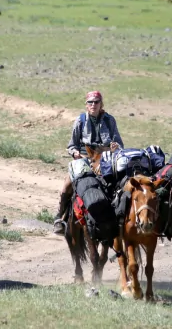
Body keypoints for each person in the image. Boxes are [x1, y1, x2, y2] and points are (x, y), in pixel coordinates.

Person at [52, 91, 124, 235]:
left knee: (120, 183)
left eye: (96, 102)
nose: (93, 105)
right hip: (84, 157)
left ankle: (122, 216)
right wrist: (75, 153)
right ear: (86, 105)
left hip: (104, 158)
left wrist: (115, 147)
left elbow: (119, 144)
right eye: (90, 102)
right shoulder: (80, 121)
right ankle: (60, 217)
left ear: (101, 104)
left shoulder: (110, 120)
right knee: (67, 185)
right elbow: (71, 145)